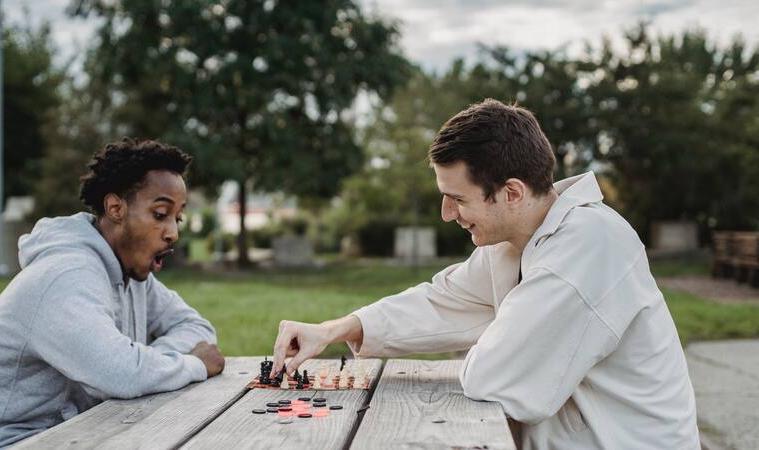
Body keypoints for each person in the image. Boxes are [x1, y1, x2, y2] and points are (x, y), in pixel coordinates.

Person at [270, 99, 700, 449]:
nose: (446, 214)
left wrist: (487, 335)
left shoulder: (589, 245)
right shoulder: (518, 241)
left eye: (456, 198)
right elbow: (442, 302)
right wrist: (333, 329)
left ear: (511, 193)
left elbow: (496, 379)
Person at [0, 139, 225, 449]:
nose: (173, 233)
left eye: (176, 218)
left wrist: (150, 362)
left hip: (81, 435)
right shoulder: (67, 276)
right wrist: (191, 365)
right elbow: (121, 373)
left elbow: (198, 329)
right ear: (116, 208)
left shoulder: (132, 274)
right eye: (160, 214)